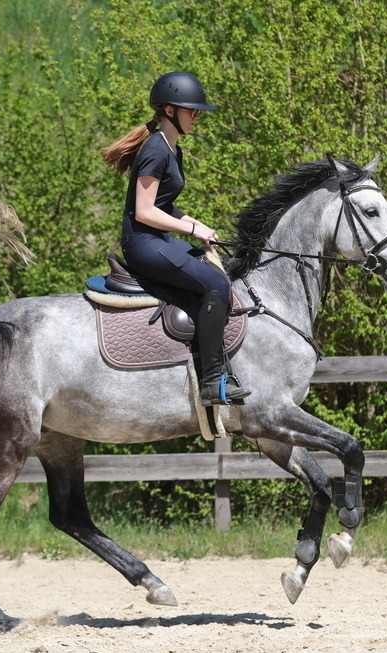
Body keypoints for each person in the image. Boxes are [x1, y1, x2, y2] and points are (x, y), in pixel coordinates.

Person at [101, 71, 250, 405]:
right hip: (143, 242)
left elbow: (164, 205)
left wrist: (195, 223)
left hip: (158, 239)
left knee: (211, 267)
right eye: (191, 111)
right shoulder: (156, 150)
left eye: (198, 112)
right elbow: (143, 212)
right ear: (170, 111)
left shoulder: (172, 148)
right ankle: (212, 381)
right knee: (217, 286)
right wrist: (192, 230)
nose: (197, 117)